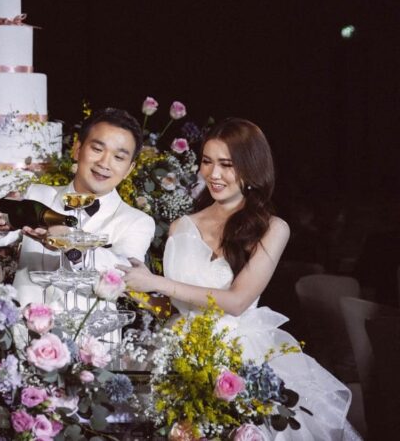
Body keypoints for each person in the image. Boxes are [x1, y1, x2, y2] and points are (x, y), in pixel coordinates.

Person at [119, 118, 356, 441]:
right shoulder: (181, 226)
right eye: (207, 161)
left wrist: (156, 282)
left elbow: (236, 301)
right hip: (176, 350)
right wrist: (133, 288)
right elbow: (174, 306)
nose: (213, 174)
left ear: (251, 168)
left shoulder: (272, 228)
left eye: (226, 165)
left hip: (239, 352)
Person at [0, 107, 156, 306]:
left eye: (118, 157)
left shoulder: (137, 221)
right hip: (22, 323)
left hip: (89, 327)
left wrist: (69, 243)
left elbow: (125, 276)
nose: (105, 163)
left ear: (129, 169)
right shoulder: (38, 195)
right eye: (97, 149)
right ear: (77, 149)